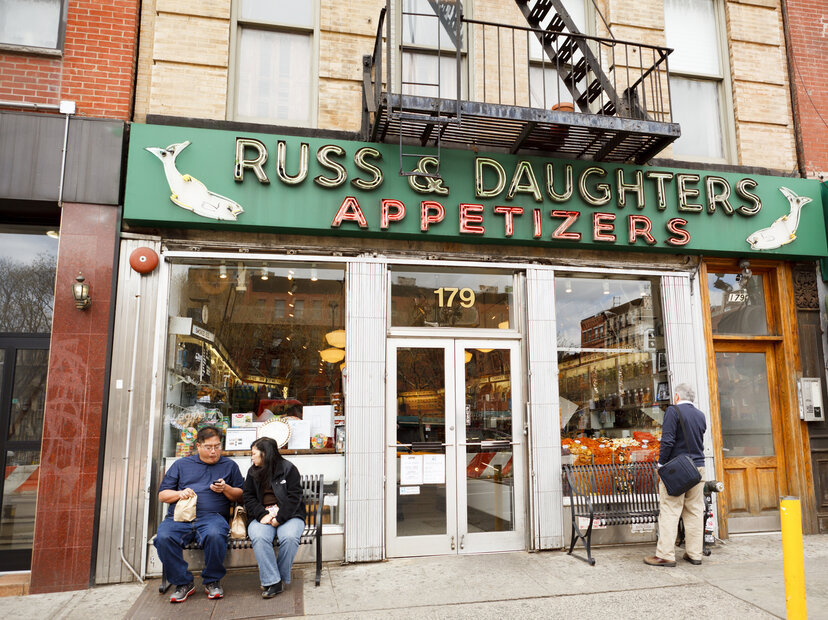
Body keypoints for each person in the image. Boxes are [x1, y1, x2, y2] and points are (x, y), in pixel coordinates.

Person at [154, 426, 244, 603]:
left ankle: (212, 581)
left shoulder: (229, 465)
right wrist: (179, 494)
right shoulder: (181, 465)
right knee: (163, 538)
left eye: (217, 446)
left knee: (215, 534)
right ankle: (183, 582)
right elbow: (162, 495)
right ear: (198, 446)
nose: (213, 451)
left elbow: (240, 495)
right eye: (208, 447)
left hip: (212, 517)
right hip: (179, 518)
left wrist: (225, 488)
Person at [645, 383, 707, 567]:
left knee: (670, 510)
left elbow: (668, 440)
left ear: (677, 397)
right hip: (698, 468)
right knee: (695, 511)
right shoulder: (700, 415)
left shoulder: (673, 411)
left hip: (677, 469)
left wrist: (660, 465)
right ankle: (695, 554)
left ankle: (665, 555)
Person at [243, 437, 306, 598]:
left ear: (264, 453)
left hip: (289, 514)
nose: (251, 457)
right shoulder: (252, 472)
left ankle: (277, 579)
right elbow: (248, 497)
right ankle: (273, 581)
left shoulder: (288, 469)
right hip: (262, 515)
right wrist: (262, 514)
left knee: (289, 537)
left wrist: (280, 518)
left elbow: (294, 497)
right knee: (259, 537)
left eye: (254, 453)